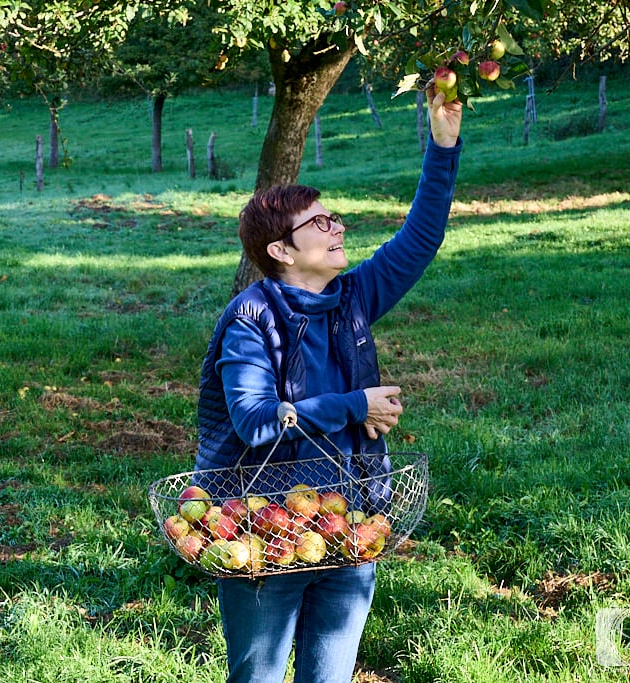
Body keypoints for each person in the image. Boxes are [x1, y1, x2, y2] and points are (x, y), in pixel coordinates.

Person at [193, 85, 463, 683]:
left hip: (350, 516)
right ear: (281, 250)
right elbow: (255, 421)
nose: (335, 225)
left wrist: (443, 145)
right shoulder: (251, 320)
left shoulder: (352, 298)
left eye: (332, 215)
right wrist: (353, 404)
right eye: (317, 221)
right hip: (261, 525)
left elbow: (419, 240)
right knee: (257, 676)